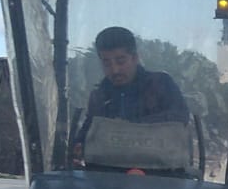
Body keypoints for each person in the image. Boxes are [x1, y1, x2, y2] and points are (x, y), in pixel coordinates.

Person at [72, 25, 189, 164]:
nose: (115, 70)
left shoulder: (161, 84)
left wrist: (128, 126)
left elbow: (179, 118)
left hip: (161, 174)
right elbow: (89, 130)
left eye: (120, 61)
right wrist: (79, 144)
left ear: (135, 58)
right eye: (107, 63)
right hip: (105, 174)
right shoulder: (99, 97)